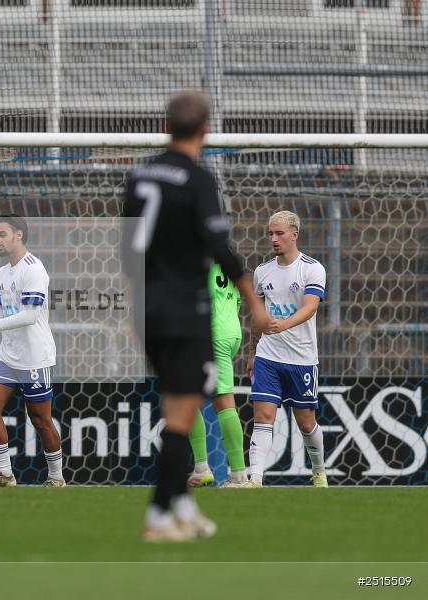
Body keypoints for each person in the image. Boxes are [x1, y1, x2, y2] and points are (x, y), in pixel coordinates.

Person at [123, 90, 270, 542]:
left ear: (167, 124)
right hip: (187, 312)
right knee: (182, 416)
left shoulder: (139, 174)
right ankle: (158, 518)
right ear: (205, 130)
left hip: (148, 308)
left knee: (176, 409)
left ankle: (185, 509)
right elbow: (220, 247)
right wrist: (254, 303)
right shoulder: (198, 178)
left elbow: (129, 251)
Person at [0, 215, 65, 487]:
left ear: (18, 235)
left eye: (2, 234)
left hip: (34, 356)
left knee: (41, 420)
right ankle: (5, 474)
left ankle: (56, 477)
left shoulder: (33, 269)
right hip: (7, 356)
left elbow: (30, 315)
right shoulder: (5, 271)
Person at [244, 211, 327, 489]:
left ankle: (318, 471)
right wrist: (253, 351)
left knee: (305, 422)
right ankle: (255, 479)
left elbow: (310, 306)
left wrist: (284, 325)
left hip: (302, 358)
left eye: (279, 233)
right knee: (263, 416)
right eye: (270, 234)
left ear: (295, 234)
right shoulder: (262, 272)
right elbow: (258, 316)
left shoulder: (312, 268)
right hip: (269, 356)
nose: (273, 239)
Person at [186, 263, 249, 488]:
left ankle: (238, 475)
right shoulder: (228, 266)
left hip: (211, 334)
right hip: (231, 331)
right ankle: (201, 468)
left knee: (219, 401)